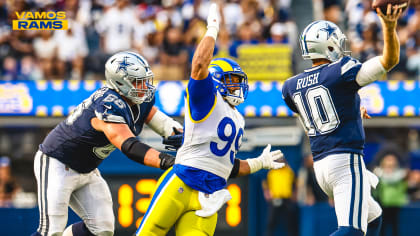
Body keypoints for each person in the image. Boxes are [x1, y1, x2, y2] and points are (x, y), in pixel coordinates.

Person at [135, 4, 285, 236]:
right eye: (232, 80)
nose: (237, 86)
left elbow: (226, 166)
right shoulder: (208, 99)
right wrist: (213, 28)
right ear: (216, 81)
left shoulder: (237, 118)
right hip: (183, 182)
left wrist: (258, 163)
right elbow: (199, 66)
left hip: (210, 195)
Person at [281, 4, 403, 236]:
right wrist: (389, 26)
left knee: (373, 217)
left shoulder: (291, 86)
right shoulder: (341, 70)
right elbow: (390, 60)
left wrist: (352, 110)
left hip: (321, 167)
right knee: (351, 231)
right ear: (328, 44)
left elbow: (316, 115)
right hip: (345, 161)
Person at [31, 51, 183, 236]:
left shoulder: (139, 97)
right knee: (51, 231)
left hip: (87, 169)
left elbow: (150, 114)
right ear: (119, 83)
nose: (144, 86)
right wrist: (166, 161)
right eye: (137, 81)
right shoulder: (108, 105)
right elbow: (129, 146)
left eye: (144, 80)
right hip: (58, 162)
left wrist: (175, 131)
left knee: (102, 230)